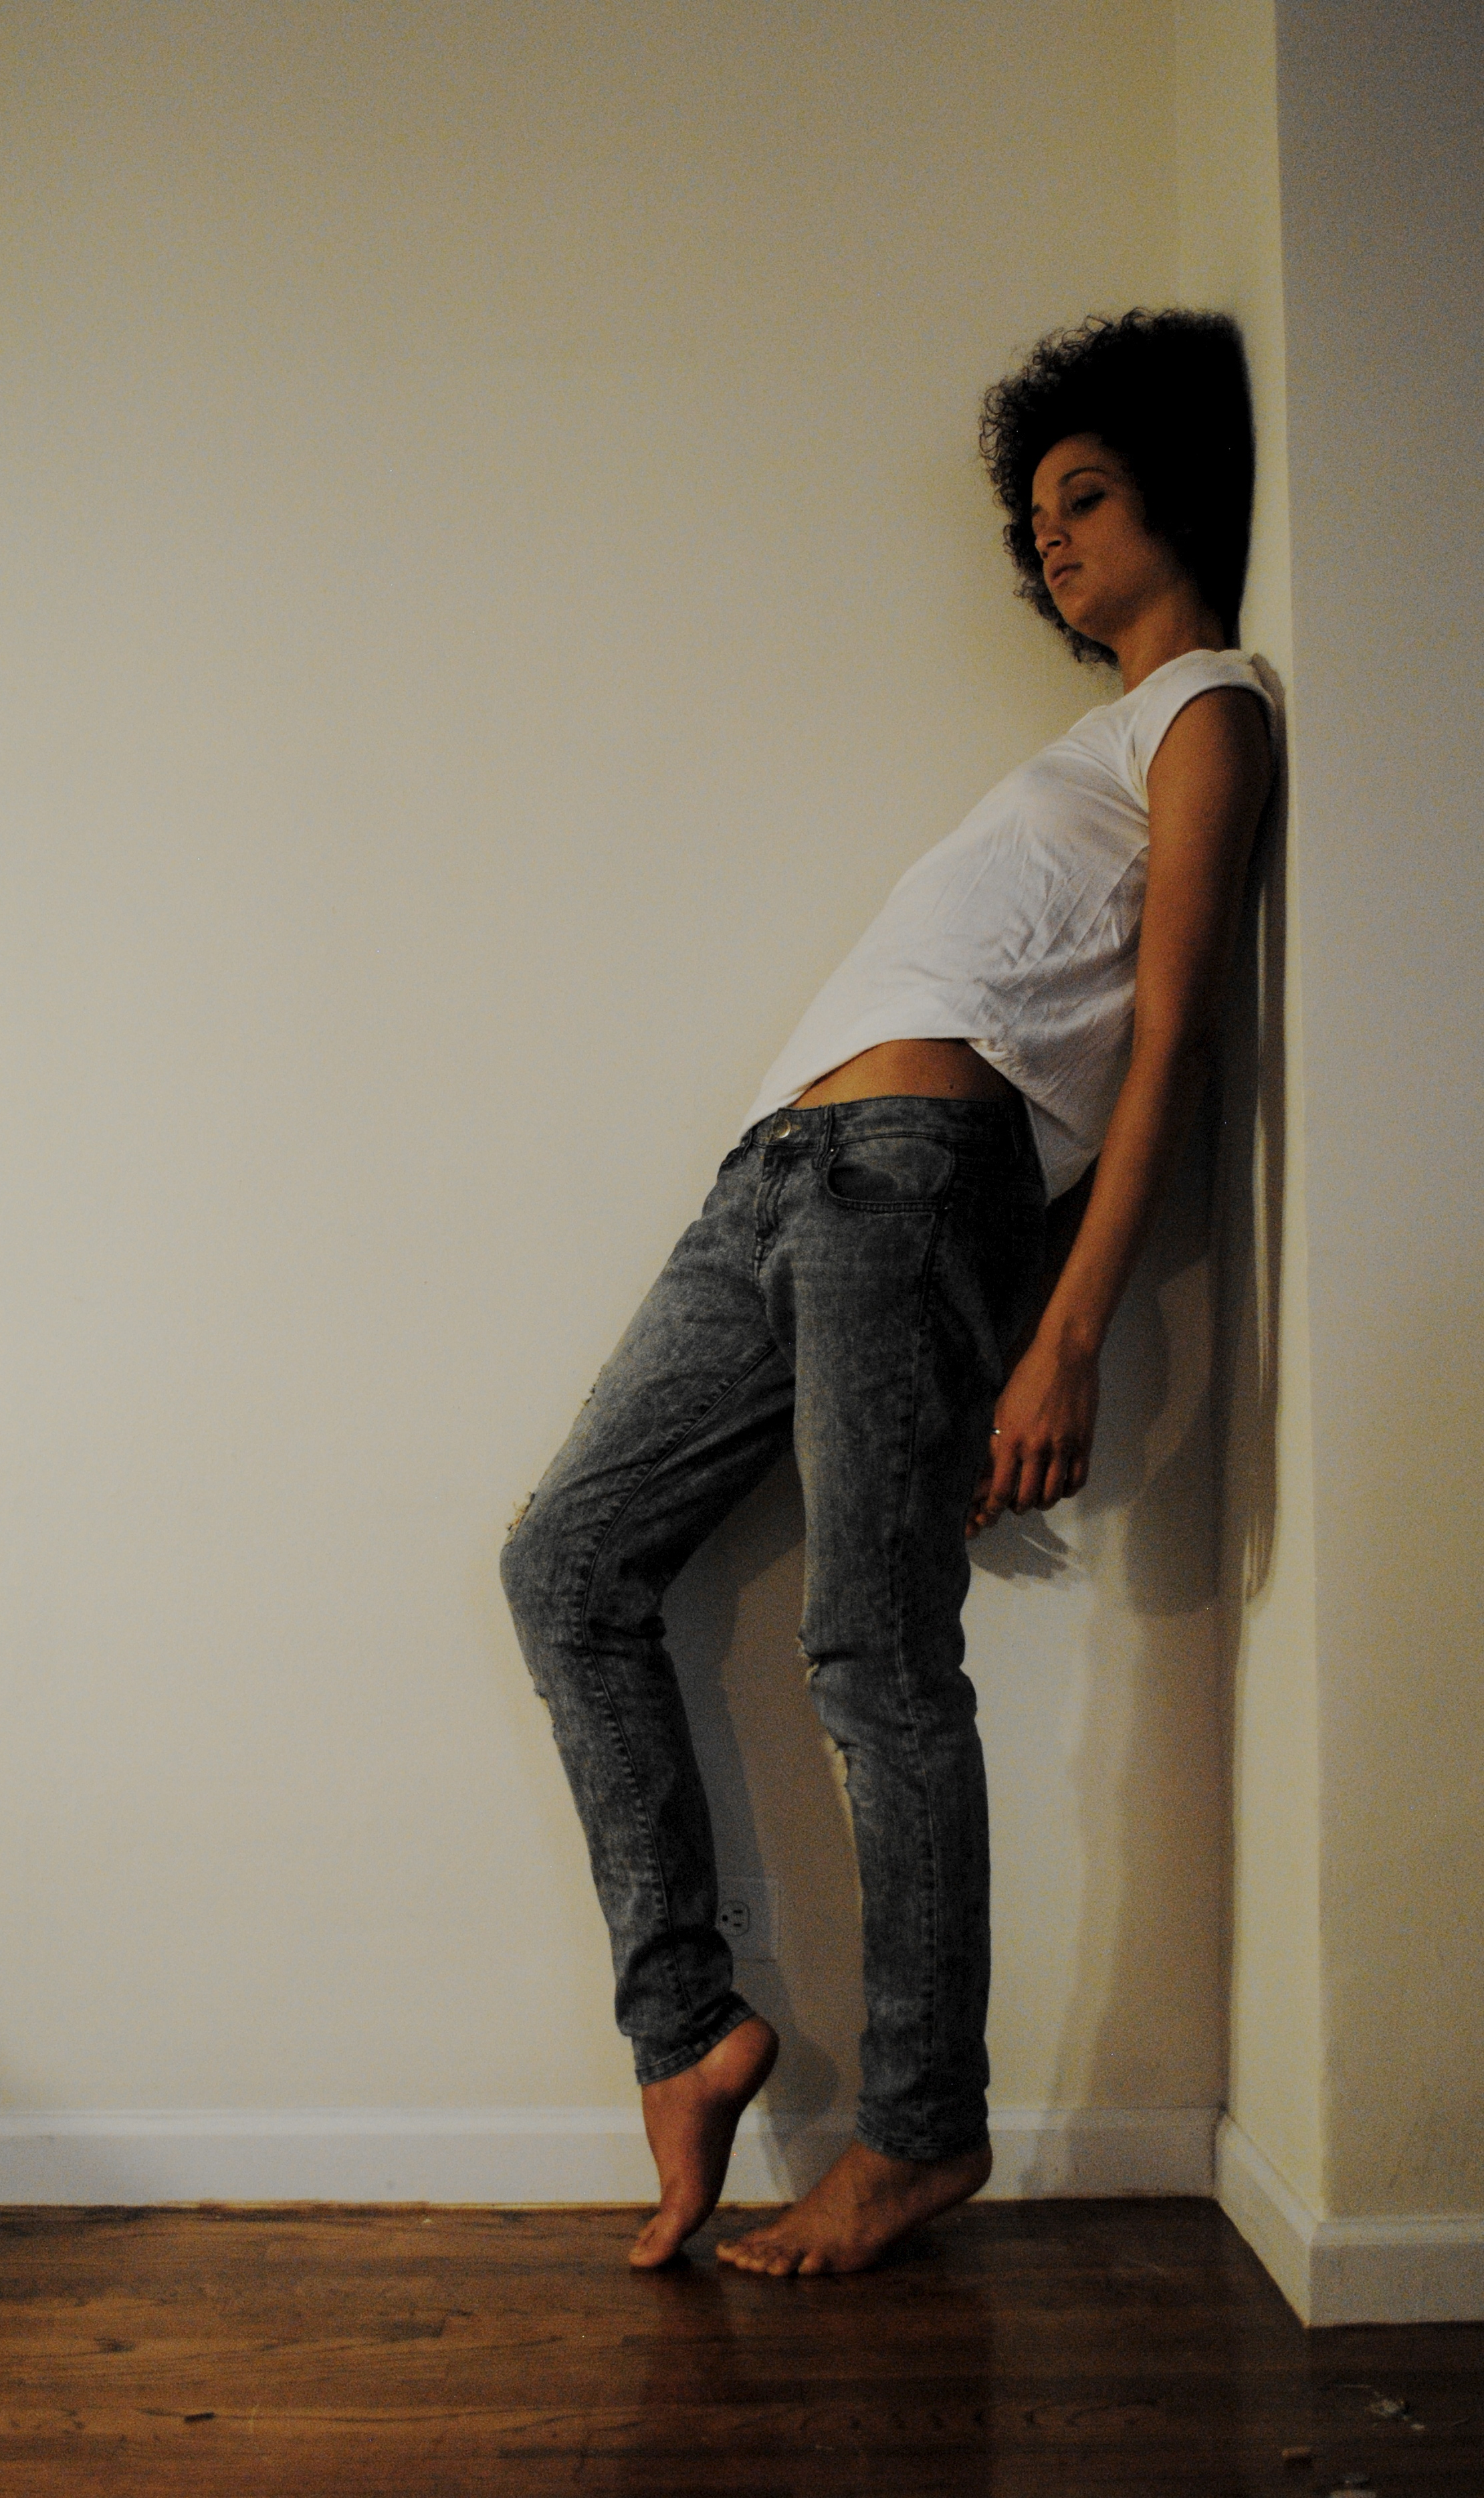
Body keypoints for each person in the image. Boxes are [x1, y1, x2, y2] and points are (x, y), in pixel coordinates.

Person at [500, 310, 1275, 2276]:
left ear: (1180, 493)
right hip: (776, 1179)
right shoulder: (1087, 744)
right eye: (1036, 517)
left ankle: (923, 2130)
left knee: (872, 1658)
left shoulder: (1206, 711)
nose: (1051, 539)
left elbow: (1174, 1041)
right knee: (566, 1561)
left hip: (909, 1179)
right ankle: (689, 2030)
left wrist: (1064, 1333)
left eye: (1084, 495)